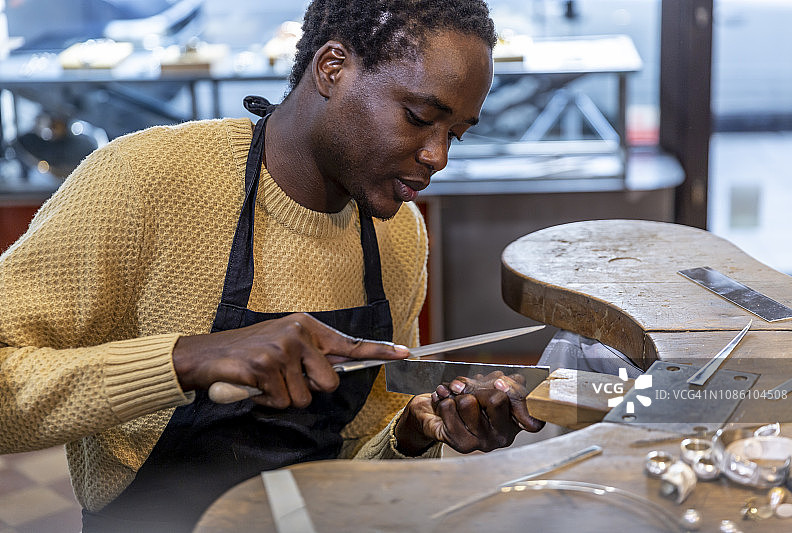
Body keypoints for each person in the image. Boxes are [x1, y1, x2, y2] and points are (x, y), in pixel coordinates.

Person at [0, 1, 544, 531]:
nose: (437, 156)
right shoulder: (147, 182)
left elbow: (360, 455)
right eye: (421, 118)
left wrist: (411, 435)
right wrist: (187, 358)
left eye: (456, 134)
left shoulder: (399, 233)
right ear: (332, 68)